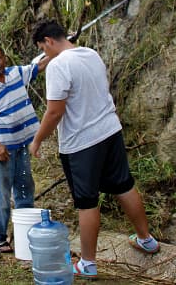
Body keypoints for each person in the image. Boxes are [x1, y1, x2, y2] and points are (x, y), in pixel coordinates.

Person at [28, 20, 159, 279]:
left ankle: (88, 263)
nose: (45, 54)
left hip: (82, 143)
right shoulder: (91, 54)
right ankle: (146, 239)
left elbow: (55, 111)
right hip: (110, 131)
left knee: (86, 201)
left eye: (43, 48)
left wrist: (37, 140)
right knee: (124, 185)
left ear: (48, 41)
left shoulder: (58, 65)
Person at [0, 45, 49, 252]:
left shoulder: (16, 74)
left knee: (25, 189)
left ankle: (24, 236)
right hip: (2, 151)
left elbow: (38, 65)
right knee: (2, 195)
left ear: (4, 58)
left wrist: (58, 48)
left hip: (23, 145)